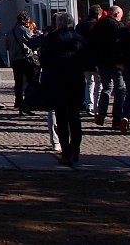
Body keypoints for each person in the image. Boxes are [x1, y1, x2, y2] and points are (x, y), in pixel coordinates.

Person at [31, 12, 87, 166]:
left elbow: (45, 60)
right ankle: (75, 149)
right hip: (76, 80)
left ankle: (66, 151)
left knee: (61, 117)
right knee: (75, 117)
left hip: (58, 81)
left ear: (59, 24)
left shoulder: (52, 38)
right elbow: (85, 58)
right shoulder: (79, 38)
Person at [90, 4, 126, 129]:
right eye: (121, 16)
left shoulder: (98, 25)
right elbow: (121, 45)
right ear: (116, 14)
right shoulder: (119, 26)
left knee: (106, 88)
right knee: (120, 89)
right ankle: (117, 118)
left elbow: (92, 43)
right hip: (115, 63)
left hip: (101, 62)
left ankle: (101, 114)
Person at [6, 12, 38, 115]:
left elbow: (6, 46)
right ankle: (27, 103)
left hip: (14, 60)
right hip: (26, 59)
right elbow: (34, 43)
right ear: (26, 20)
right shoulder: (26, 31)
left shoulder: (10, 32)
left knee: (18, 83)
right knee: (31, 81)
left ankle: (18, 102)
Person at [76, 4, 103, 115]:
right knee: (99, 84)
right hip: (97, 59)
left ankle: (89, 105)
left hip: (84, 58)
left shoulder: (80, 26)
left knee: (89, 82)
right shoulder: (99, 26)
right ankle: (97, 107)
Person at [119, 9, 130, 132]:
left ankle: (125, 116)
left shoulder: (123, 32)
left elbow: (118, 49)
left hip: (127, 66)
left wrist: (120, 63)